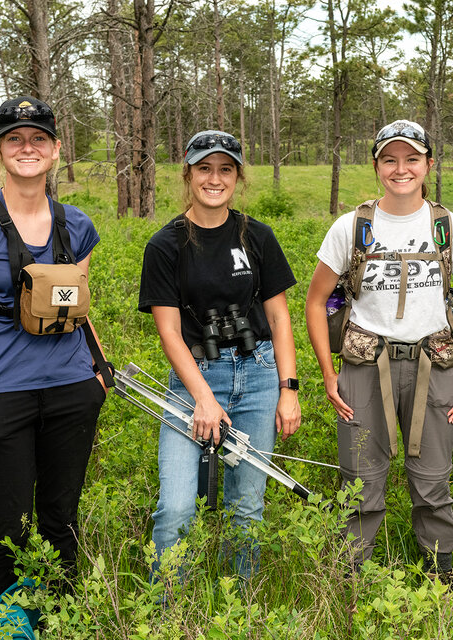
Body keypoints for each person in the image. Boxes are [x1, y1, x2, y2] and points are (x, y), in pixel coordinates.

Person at [0, 96, 109, 611]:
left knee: (61, 517)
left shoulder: (74, 225)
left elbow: (78, 307)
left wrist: (99, 375)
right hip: (2, 396)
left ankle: (61, 615)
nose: (27, 148)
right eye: (15, 138)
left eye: (38, 138)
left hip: (71, 391)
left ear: (56, 150)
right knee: (7, 526)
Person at [305, 120, 453, 582]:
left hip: (434, 367)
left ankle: (439, 578)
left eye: (411, 158)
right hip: (364, 368)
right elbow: (315, 299)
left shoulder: (450, 227)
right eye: (390, 159)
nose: (400, 169)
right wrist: (329, 373)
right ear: (376, 165)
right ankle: (351, 580)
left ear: (428, 163)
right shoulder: (352, 227)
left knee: (432, 482)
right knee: (360, 481)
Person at [138, 130, 301, 579]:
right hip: (195, 377)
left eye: (225, 169)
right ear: (188, 174)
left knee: (247, 507)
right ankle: (166, 611)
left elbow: (280, 318)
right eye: (205, 169)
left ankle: (240, 608)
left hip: (259, 376)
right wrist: (203, 398)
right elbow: (169, 332)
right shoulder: (165, 245)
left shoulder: (258, 237)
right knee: (175, 509)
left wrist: (289, 389)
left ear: (238, 177)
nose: (215, 178)